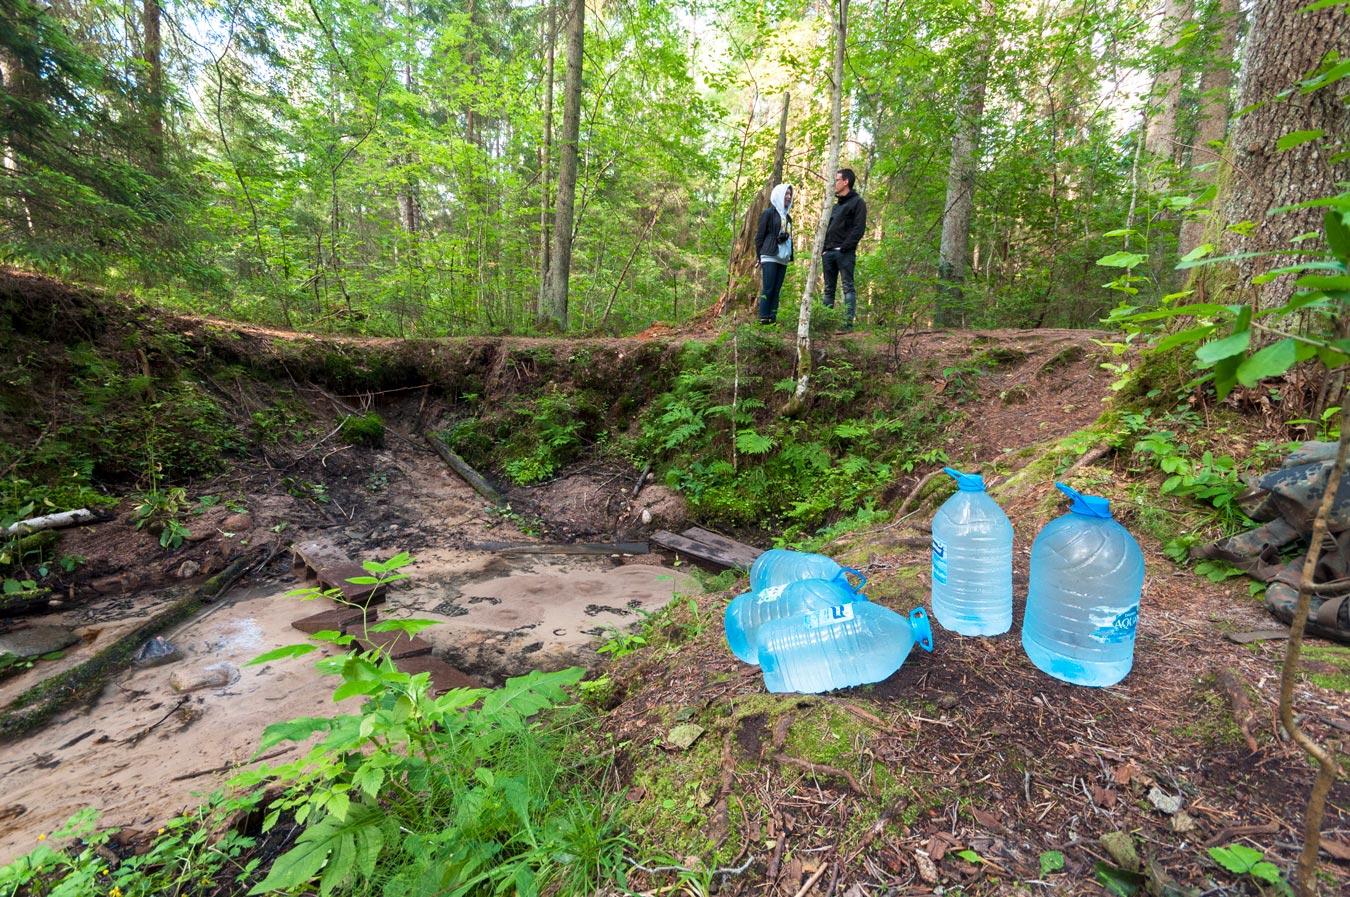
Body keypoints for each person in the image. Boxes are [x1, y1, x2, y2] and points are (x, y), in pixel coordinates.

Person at [821, 168, 866, 332]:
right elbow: (827, 228)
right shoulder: (834, 207)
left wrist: (845, 247)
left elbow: (859, 229)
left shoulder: (858, 203)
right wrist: (824, 249)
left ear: (846, 181)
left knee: (848, 287)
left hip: (845, 253)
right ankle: (825, 326)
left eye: (837, 180)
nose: (834, 184)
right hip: (829, 253)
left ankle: (847, 325)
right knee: (828, 290)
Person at [754, 183, 794, 324]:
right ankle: (764, 318)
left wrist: (790, 254)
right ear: (779, 195)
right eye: (786, 194)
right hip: (769, 255)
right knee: (768, 288)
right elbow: (759, 237)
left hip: (783, 257)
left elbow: (790, 238)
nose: (788, 197)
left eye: (790, 194)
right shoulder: (768, 214)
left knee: (776, 290)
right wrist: (759, 256)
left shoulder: (788, 218)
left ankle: (773, 319)